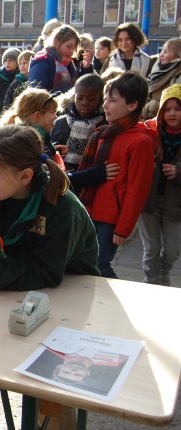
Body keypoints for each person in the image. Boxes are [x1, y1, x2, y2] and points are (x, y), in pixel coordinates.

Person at [0, 125, 99, 430]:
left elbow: (48, 271)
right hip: (14, 295)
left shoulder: (61, 208)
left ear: (25, 176)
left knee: (52, 387)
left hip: (70, 300)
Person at [78, 71, 156, 278]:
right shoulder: (103, 134)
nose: (105, 105)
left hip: (111, 218)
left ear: (132, 105)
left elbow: (137, 189)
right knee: (87, 263)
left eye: (112, 100)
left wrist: (123, 228)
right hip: (90, 209)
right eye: (105, 99)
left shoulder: (141, 142)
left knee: (99, 265)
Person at [140, 84, 181, 286]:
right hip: (149, 202)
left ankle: (163, 273)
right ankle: (152, 285)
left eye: (177, 109)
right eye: (167, 109)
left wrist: (178, 171)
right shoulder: (150, 133)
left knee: (172, 250)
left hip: (175, 205)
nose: (172, 113)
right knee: (151, 249)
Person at [51, 74, 106, 171]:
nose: (84, 103)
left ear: (101, 98)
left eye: (91, 99)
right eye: (80, 98)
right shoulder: (61, 122)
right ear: (74, 96)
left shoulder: (104, 124)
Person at [0, 87, 67, 162]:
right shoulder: (32, 142)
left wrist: (52, 150)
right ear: (36, 116)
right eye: (52, 112)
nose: (55, 116)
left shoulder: (25, 137)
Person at [29, 25, 80, 93]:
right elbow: (36, 92)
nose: (71, 52)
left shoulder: (69, 64)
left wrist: (87, 67)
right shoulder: (42, 61)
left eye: (73, 49)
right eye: (68, 47)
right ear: (56, 42)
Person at [143, 38, 181, 120]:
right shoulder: (156, 71)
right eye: (161, 51)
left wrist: (157, 107)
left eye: (165, 52)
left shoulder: (178, 75)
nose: (161, 55)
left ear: (178, 56)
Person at [0, 47, 20, 125]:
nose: (7, 63)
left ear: (17, 63)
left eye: (11, 60)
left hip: (15, 114)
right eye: (5, 60)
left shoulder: (19, 78)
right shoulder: (0, 78)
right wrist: (3, 103)